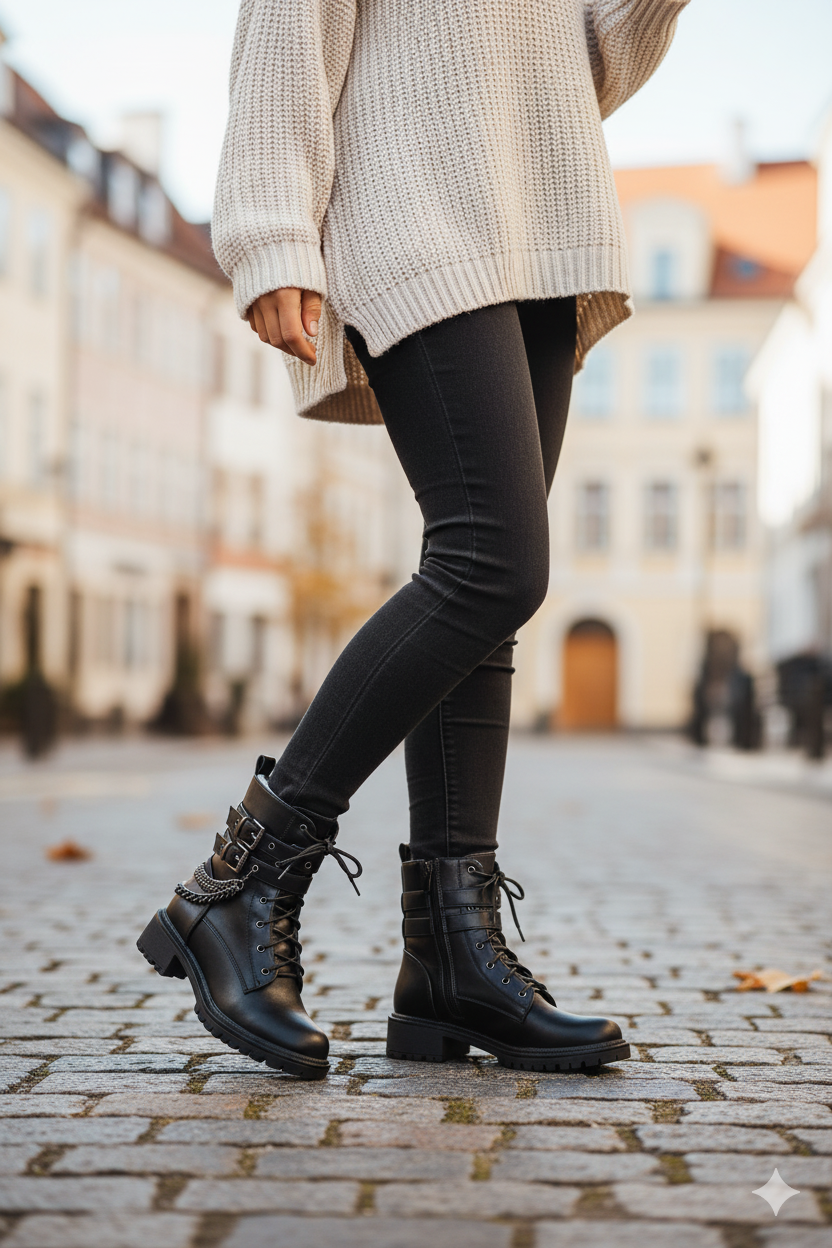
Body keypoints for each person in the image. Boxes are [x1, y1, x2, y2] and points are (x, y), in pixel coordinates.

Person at [139, 0, 689, 1080]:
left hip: (539, 211)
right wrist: (268, 227)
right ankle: (238, 884)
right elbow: (290, 22)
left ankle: (450, 957)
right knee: (492, 561)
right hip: (413, 204)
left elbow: (587, 62)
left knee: (487, 592)